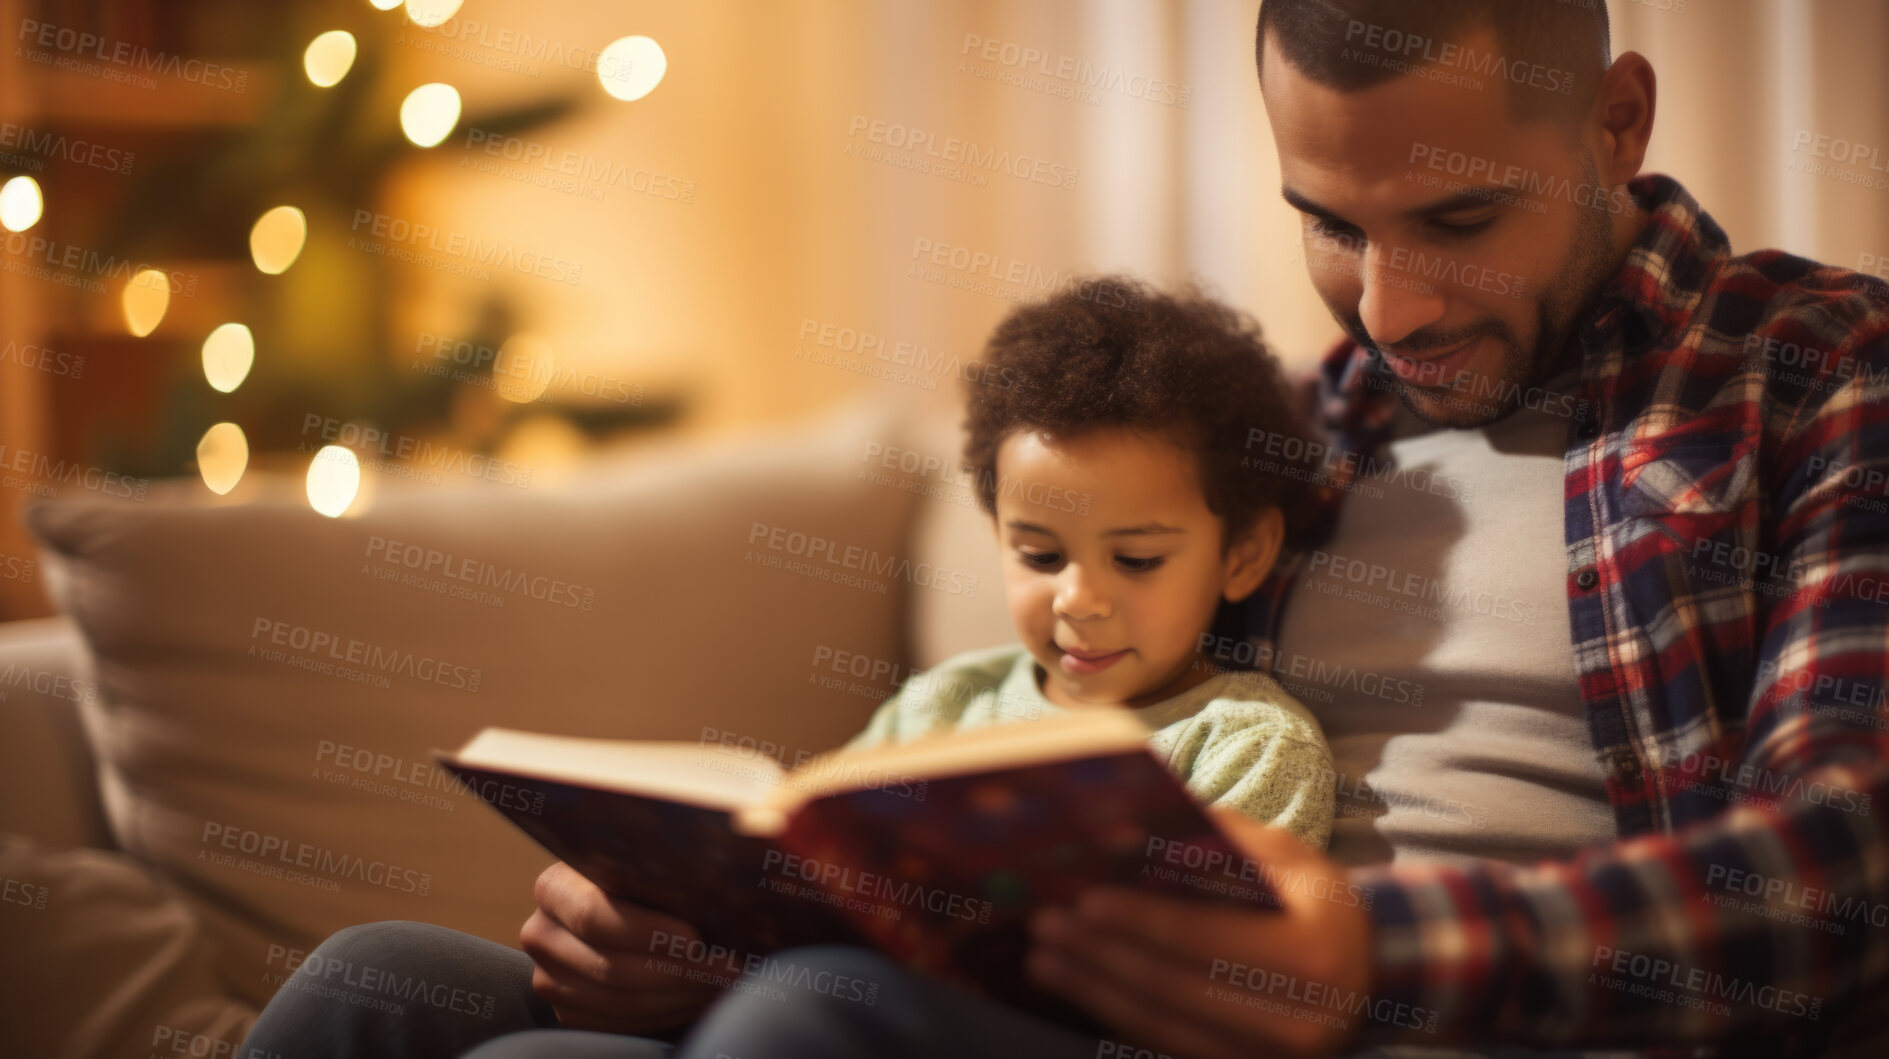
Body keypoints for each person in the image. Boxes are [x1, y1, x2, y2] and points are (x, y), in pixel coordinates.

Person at [245, 0, 1889, 1054]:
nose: (1386, 304)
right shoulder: (1298, 437)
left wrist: (1359, 953)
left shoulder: (1811, 381)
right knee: (373, 986)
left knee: (804, 1027)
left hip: (1402, 1015)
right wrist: (693, 923)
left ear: (1613, 124)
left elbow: (1838, 868)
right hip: (1099, 996)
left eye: (1455, 220)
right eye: (1324, 224)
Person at [239, 281, 1342, 1058]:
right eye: (1037, 554)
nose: (1077, 598)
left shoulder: (1246, 741)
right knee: (368, 973)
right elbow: (811, 879)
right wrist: (676, 933)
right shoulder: (945, 703)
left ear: (1240, 550)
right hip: (763, 1011)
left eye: (1136, 560)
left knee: (810, 998)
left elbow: (1220, 996)